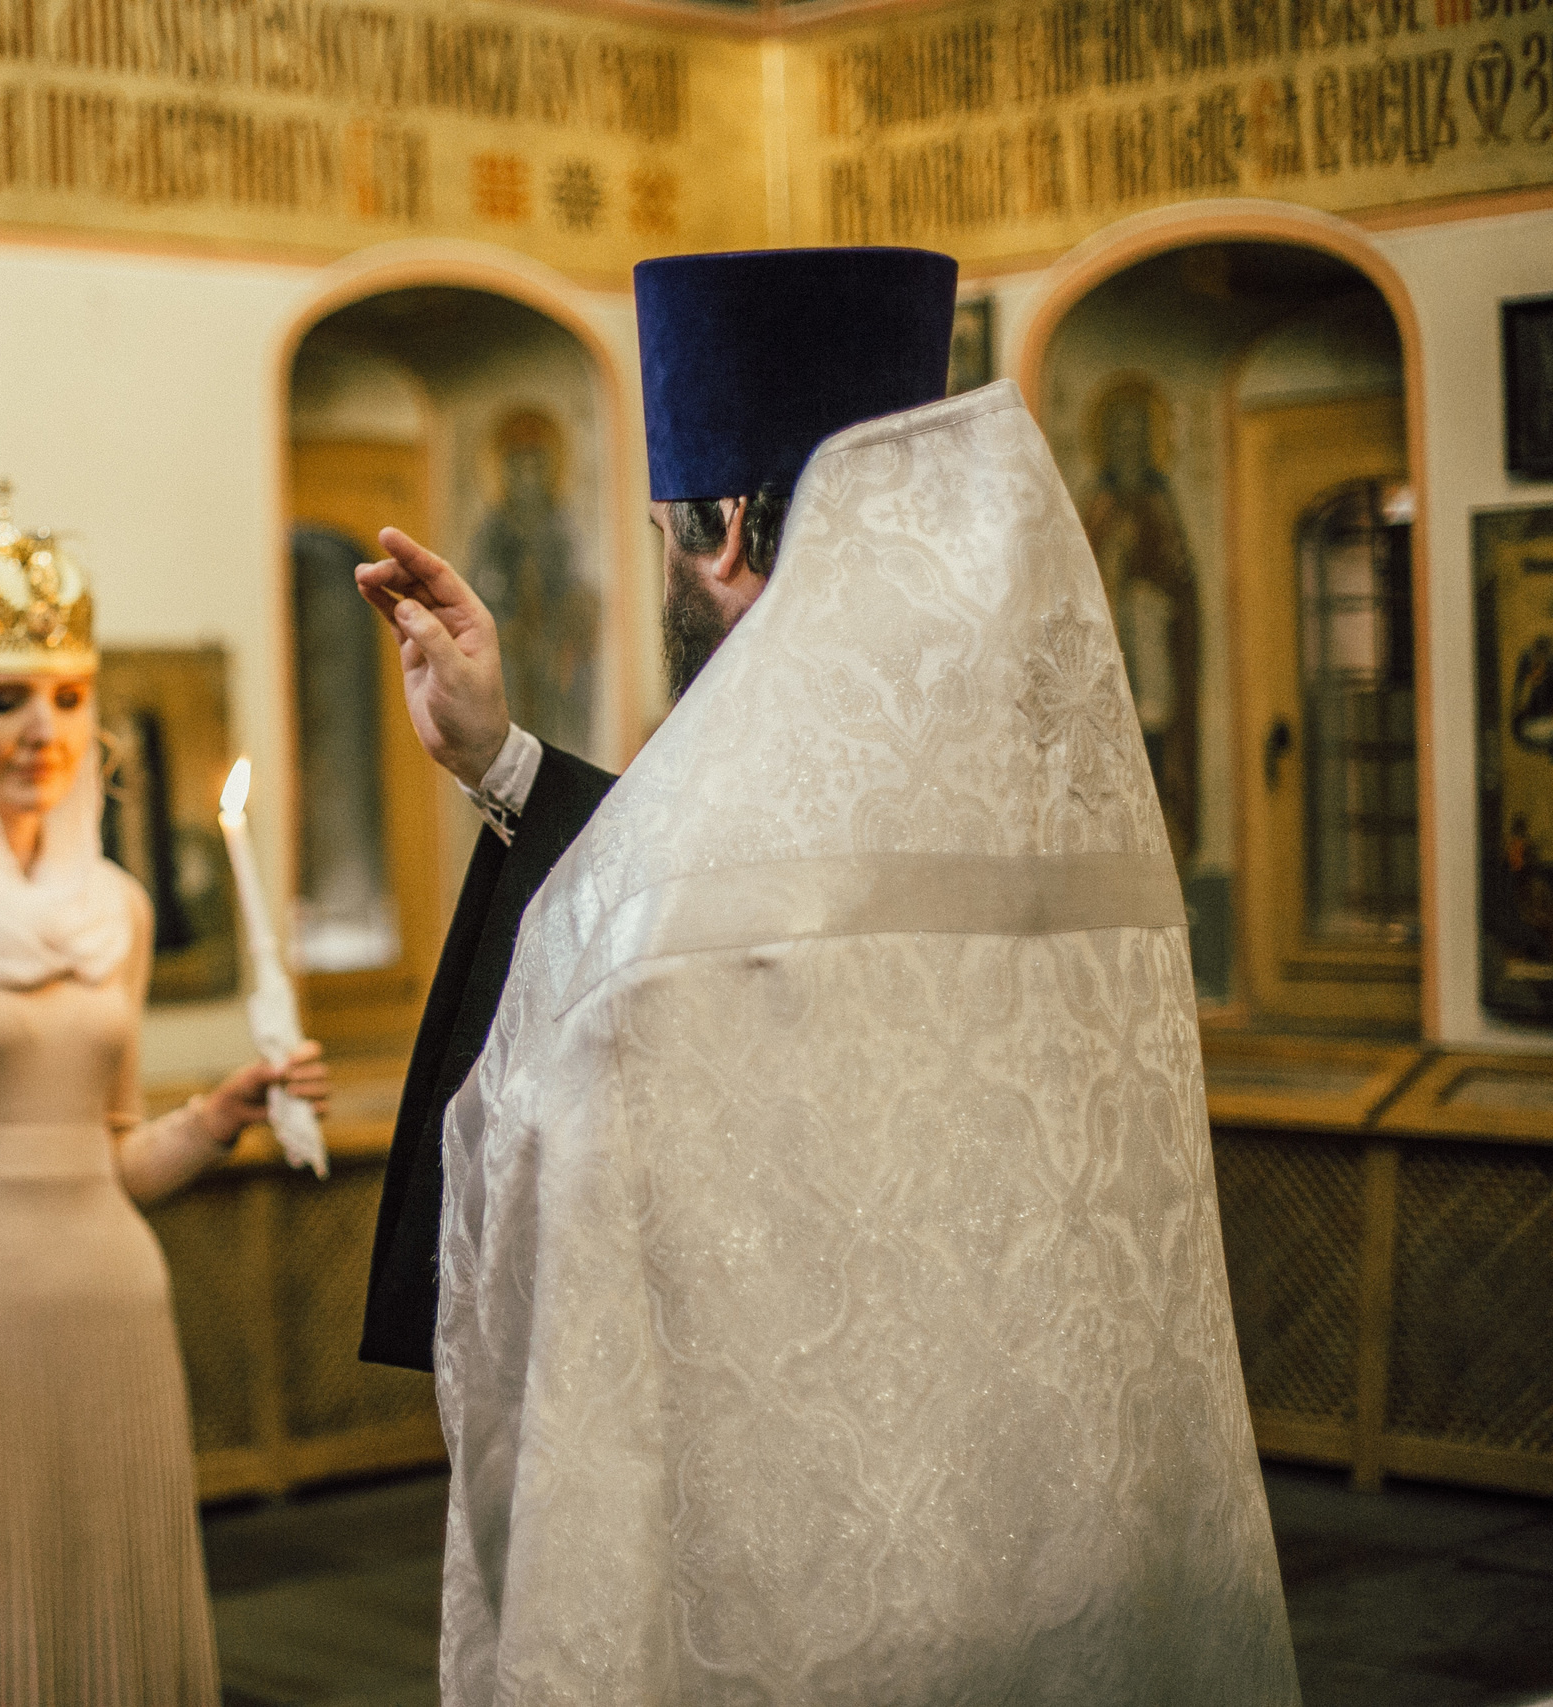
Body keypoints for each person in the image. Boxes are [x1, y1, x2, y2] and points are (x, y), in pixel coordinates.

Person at [357, 249, 1299, 1700]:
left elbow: (541, 1249)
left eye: (673, 529)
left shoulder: (668, 880)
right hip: (1065, 1561)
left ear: (727, 528)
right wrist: (507, 763)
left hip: (797, 1593)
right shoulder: (1050, 791)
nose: (678, 558)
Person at [0, 495, 328, 1705]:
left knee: (110, 1648)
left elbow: (112, 1158)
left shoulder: (116, 909)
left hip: (112, 1328)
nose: (46, 728)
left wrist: (220, 1114)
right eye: (2, 699)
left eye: (69, 697)